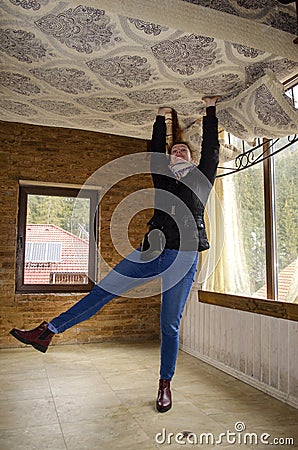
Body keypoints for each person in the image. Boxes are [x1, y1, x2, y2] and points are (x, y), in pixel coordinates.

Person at [10, 96, 220, 413]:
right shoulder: (162, 178)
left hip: (184, 257)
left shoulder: (202, 179)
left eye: (184, 151)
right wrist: (161, 118)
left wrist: (211, 111)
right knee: (103, 290)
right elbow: (153, 154)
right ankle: (48, 332)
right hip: (151, 250)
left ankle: (165, 384)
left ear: (192, 161)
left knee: (170, 326)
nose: (179, 152)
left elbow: (213, 150)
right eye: (175, 151)